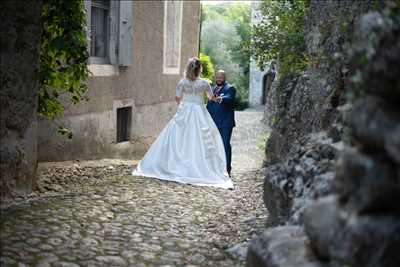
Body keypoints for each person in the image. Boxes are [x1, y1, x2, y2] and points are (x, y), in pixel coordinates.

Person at [132, 57, 233, 189]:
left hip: (185, 111)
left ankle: (173, 165)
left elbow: (177, 98)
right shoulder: (204, 83)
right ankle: (200, 168)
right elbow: (211, 97)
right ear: (200, 69)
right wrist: (216, 98)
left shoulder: (183, 82)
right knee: (201, 139)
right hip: (199, 112)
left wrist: (184, 106)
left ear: (188, 68)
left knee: (178, 138)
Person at [206, 70, 236, 177]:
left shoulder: (230, 88)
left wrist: (220, 98)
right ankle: (215, 168)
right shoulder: (212, 89)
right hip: (213, 123)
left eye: (221, 77)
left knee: (225, 145)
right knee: (213, 146)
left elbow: (229, 98)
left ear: (224, 77)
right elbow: (209, 106)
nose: (218, 79)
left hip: (225, 123)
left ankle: (227, 169)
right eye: (217, 77)